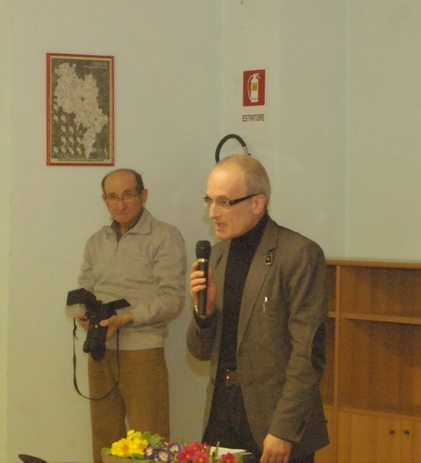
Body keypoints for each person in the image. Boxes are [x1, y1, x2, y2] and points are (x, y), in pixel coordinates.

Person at [186, 154, 329, 463]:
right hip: (222, 415)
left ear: (257, 203)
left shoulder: (299, 255)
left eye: (224, 202)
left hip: (275, 424)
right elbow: (198, 351)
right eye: (209, 200)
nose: (213, 213)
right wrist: (204, 312)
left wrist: (284, 430)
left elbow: (308, 355)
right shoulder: (216, 257)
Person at [76, 168, 186, 463]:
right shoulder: (96, 241)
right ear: (104, 200)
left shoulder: (164, 236)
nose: (120, 204)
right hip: (100, 351)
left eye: (127, 195)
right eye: (112, 197)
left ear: (143, 195)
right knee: (104, 440)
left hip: (142, 352)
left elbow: (173, 300)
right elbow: (83, 290)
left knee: (150, 442)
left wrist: (126, 318)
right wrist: (83, 316)